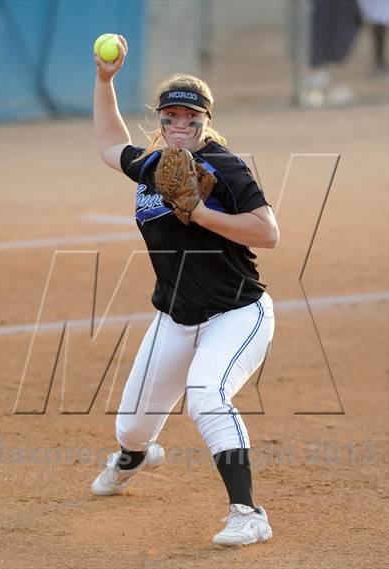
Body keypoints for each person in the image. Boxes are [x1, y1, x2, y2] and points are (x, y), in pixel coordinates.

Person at [91, 35, 279, 547]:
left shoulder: (227, 167)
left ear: (205, 120)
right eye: (171, 116)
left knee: (207, 395)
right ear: (161, 119)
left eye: (190, 117)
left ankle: (248, 513)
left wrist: (200, 213)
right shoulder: (153, 164)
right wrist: (104, 81)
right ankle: (134, 457)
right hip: (175, 316)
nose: (180, 125)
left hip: (237, 312)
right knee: (130, 429)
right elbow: (110, 144)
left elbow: (268, 233)